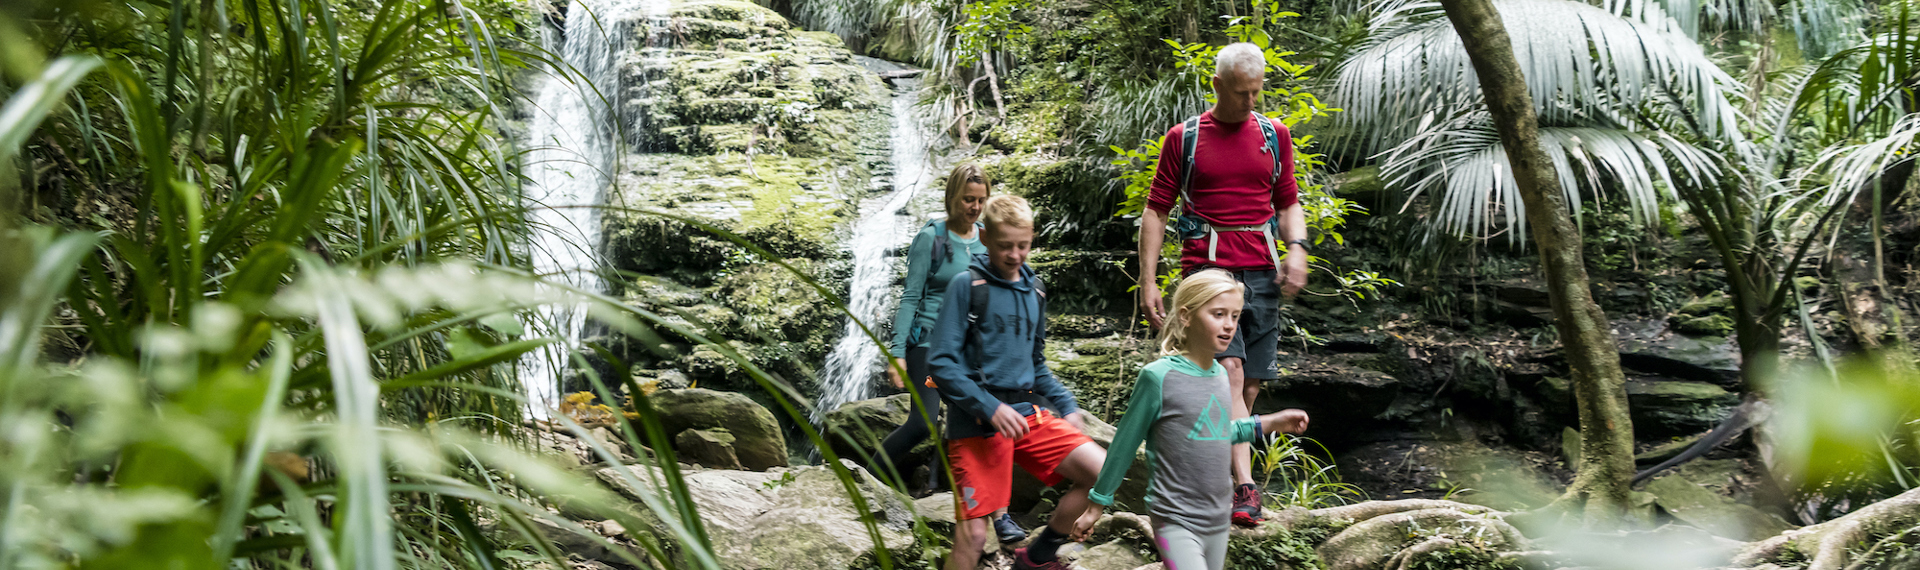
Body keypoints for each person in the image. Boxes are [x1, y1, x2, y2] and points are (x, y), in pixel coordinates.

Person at [1136, 42, 1310, 528]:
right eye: (1240, 94)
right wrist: (1148, 280)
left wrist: (1298, 247)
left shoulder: (1274, 135)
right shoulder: (1185, 138)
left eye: (1256, 92)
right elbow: (1157, 208)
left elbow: (1288, 201)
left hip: (1262, 271)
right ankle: (1246, 489)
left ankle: (1220, 473)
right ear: (1216, 86)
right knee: (1228, 374)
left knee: (1248, 386)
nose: (1250, 103)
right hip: (1208, 273)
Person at [1071, 268, 1310, 570]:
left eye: (1235, 316)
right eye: (1218, 314)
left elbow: (1217, 433)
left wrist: (1271, 423)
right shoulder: (1158, 377)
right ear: (1186, 315)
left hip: (1218, 516)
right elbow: (1124, 444)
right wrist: (1097, 503)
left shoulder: (1221, 377)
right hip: (1173, 518)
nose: (1229, 326)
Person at [927, 194, 1108, 570]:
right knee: (974, 537)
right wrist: (990, 408)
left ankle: (1037, 557)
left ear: (1032, 238)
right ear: (986, 238)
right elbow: (941, 364)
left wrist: (1068, 404)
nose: (1014, 254)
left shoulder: (1035, 290)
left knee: (1102, 473)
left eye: (1023, 245)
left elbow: (1036, 364)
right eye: (1005, 245)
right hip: (976, 423)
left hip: (1029, 414)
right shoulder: (968, 286)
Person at [877, 164, 1026, 543]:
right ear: (952, 197)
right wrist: (896, 352)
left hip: (970, 349)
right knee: (924, 422)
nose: (975, 207)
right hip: (927, 342)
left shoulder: (986, 240)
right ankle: (865, 478)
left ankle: (988, 510)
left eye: (981, 200)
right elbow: (911, 296)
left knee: (983, 423)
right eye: (967, 200)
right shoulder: (932, 238)